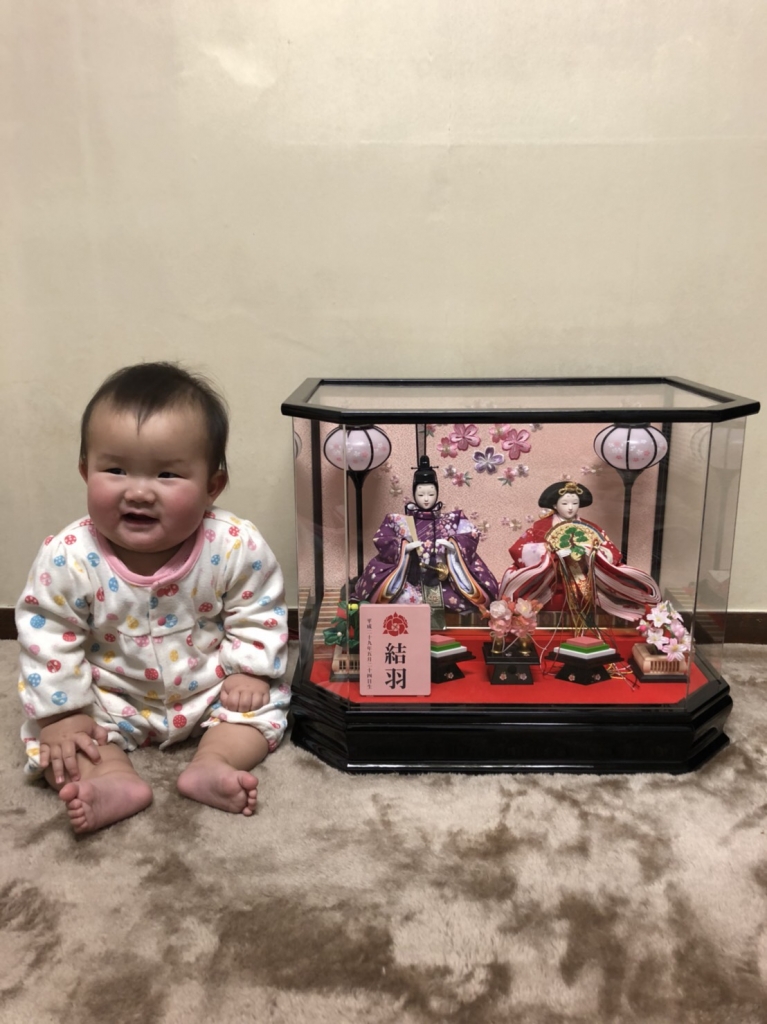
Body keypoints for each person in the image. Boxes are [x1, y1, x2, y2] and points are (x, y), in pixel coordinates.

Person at [15, 362, 289, 833]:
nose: (138, 492)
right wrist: (64, 713)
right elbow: (49, 634)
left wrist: (249, 669)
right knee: (59, 741)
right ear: (85, 472)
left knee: (263, 707)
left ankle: (215, 761)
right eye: (115, 470)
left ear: (212, 486)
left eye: (166, 474)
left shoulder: (233, 544)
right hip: (109, 693)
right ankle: (111, 779)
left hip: (209, 686)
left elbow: (258, 605)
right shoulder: (69, 556)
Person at [499, 480, 661, 626]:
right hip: (552, 580)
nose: (570, 507)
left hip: (587, 578)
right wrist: (550, 553)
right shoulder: (540, 528)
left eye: (575, 503)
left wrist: (592, 554)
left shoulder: (592, 528)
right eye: (565, 503)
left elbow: (612, 553)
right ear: (555, 505)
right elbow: (518, 549)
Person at [353, 455, 498, 614]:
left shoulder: (453, 519)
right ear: (414, 493)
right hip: (410, 581)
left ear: (437, 492)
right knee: (401, 599)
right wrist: (403, 548)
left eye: (431, 494)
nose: (426, 499)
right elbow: (382, 539)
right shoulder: (398, 521)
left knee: (466, 602)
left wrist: (454, 546)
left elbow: (471, 534)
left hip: (445, 582)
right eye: (421, 494)